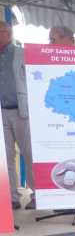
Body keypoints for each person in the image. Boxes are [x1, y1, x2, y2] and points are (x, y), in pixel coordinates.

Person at [0, 20, 31, 210]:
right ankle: (11, 197)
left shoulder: (21, 53)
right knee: (7, 157)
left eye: (5, 31)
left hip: (21, 111)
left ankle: (37, 194)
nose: (3, 34)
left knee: (29, 153)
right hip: (1, 112)